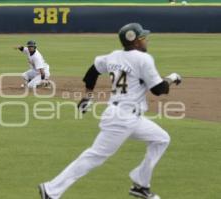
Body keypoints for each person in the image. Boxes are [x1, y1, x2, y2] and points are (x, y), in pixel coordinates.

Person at [38, 23, 182, 199]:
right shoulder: (143, 59)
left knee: (161, 139)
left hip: (130, 117)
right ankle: (51, 190)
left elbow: (92, 71)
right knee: (94, 156)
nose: (146, 40)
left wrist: (88, 96)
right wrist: (173, 78)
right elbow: (159, 90)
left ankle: (141, 185)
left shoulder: (114, 56)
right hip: (122, 119)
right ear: (134, 40)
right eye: (143, 37)